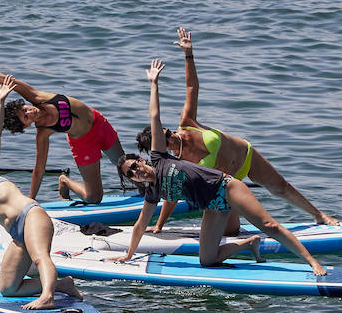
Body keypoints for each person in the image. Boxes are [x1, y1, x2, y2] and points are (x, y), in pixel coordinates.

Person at [112, 59, 327, 275]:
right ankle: (249, 244)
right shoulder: (153, 193)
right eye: (131, 174)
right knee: (207, 260)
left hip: (226, 187)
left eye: (134, 165)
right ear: (134, 181)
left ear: (142, 160)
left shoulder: (159, 157)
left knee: (268, 226)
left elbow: (154, 116)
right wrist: (129, 255)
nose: (136, 171)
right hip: (213, 206)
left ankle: (312, 262)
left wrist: (153, 84)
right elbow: (140, 226)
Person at [137, 27, 338, 233]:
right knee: (231, 232)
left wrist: (188, 54)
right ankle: (246, 241)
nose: (172, 136)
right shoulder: (179, 163)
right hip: (228, 184)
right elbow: (172, 197)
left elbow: (192, 88)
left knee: (281, 188)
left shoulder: (187, 122)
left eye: (168, 132)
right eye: (166, 139)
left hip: (246, 156)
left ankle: (319, 215)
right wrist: (159, 225)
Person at [0, 77, 87, 310]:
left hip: (32, 215)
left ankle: (48, 296)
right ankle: (63, 285)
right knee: (7, 288)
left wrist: (0, 102)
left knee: (39, 256)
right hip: (18, 236)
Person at [0, 54, 123, 204]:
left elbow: (5, 80)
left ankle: (144, 192)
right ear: (26, 126)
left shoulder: (36, 97)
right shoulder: (43, 133)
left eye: (24, 109)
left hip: (99, 123)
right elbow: (39, 169)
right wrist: (31, 199)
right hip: (84, 143)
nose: (29, 111)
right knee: (94, 198)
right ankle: (65, 182)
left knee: (123, 163)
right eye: (26, 117)